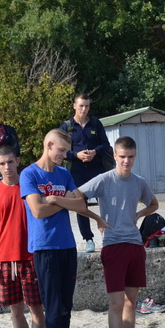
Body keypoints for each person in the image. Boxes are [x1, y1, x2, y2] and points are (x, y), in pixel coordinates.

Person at [20, 129, 105, 328]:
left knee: (66, 308)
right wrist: (67, 202)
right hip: (45, 248)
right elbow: (37, 211)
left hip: (67, 246)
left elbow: (80, 203)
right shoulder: (30, 175)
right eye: (61, 150)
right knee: (54, 308)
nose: (64, 155)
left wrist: (57, 199)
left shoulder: (63, 174)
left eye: (67, 151)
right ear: (48, 145)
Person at [77, 136, 158, 328]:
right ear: (114, 155)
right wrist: (97, 219)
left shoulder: (139, 181)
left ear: (135, 156)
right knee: (116, 303)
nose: (126, 161)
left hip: (135, 245)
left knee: (132, 302)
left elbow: (153, 203)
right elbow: (77, 196)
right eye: (122, 156)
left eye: (131, 157)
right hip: (112, 245)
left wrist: (140, 213)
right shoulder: (103, 179)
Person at [0, 147, 45, 328]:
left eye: (10, 162)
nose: (7, 167)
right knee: (15, 310)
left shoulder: (30, 187)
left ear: (17, 161)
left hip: (31, 256)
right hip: (6, 259)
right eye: (2, 163)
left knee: (36, 308)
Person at [60, 92, 112, 253]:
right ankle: (88, 239)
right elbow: (60, 151)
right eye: (81, 105)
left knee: (107, 201)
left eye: (87, 106)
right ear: (74, 106)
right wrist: (76, 155)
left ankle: (109, 234)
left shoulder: (96, 124)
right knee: (80, 204)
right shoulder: (66, 127)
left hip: (97, 168)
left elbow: (105, 145)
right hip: (77, 170)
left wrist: (94, 152)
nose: (84, 109)